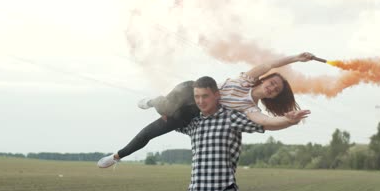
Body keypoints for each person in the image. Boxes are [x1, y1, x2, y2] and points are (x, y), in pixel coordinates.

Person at [97, 52, 313, 168]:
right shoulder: (246, 79)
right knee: (165, 105)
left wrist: (287, 119)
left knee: (150, 132)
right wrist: (295, 58)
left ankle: (117, 156)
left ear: (273, 96)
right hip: (193, 90)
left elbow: (266, 122)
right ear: (265, 80)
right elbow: (269, 64)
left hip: (192, 113)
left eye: (276, 89)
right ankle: (153, 101)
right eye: (273, 82)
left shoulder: (248, 108)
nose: (272, 86)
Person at [179, 76, 298, 191]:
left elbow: (265, 124)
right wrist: (163, 109)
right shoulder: (194, 122)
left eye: (205, 96)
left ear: (216, 95)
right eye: (197, 97)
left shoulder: (231, 117)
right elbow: (168, 122)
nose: (201, 101)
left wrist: (288, 121)